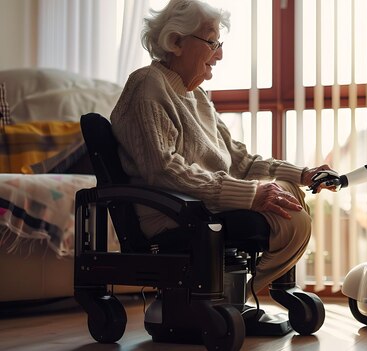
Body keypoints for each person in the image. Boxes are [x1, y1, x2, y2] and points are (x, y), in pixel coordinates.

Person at [110, 0, 335, 300]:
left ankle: (245, 292)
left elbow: (241, 161)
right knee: (285, 209)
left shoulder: (197, 96)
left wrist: (304, 174)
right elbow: (163, 168)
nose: (220, 54)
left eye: (219, 42)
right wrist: (249, 194)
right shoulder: (148, 84)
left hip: (201, 205)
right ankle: (245, 292)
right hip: (174, 213)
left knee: (289, 190)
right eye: (211, 42)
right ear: (176, 41)